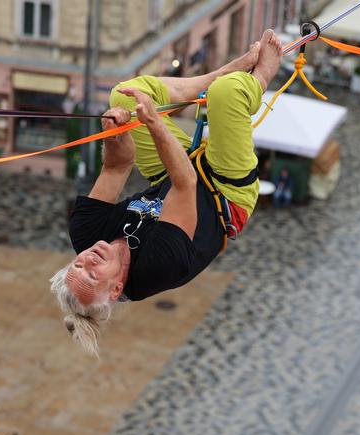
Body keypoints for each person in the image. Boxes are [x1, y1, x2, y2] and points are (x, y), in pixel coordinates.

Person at [49, 30, 284, 356]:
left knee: (124, 96)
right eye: (92, 274)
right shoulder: (159, 268)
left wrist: (114, 133)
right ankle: (259, 77)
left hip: (169, 177)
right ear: (116, 289)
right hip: (223, 192)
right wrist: (154, 123)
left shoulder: (85, 233)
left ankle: (222, 71)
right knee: (228, 94)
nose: (87, 259)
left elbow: (117, 168)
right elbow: (186, 183)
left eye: (77, 265)